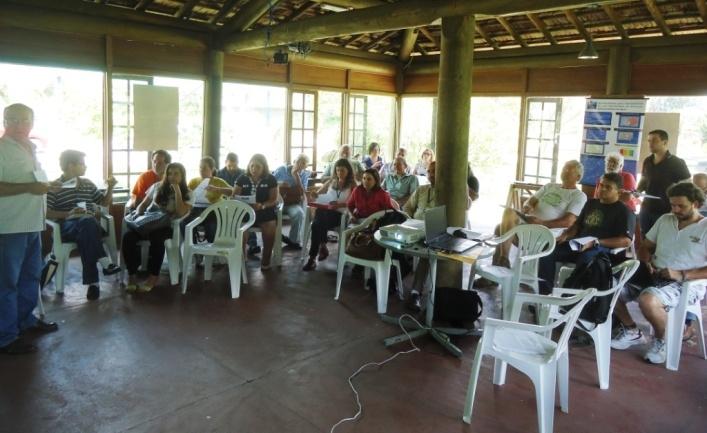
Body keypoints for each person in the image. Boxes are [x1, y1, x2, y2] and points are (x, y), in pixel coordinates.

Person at [610, 182, 706, 364]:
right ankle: (632, 330)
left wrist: (681, 274)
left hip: (687, 283)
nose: (675, 209)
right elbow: (645, 247)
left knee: (648, 299)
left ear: (696, 204)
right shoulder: (665, 220)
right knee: (609, 287)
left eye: (681, 206)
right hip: (656, 275)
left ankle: (662, 340)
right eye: (673, 205)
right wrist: (646, 262)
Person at [0, 103, 61, 355]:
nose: (18, 125)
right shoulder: (2, 149)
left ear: (32, 123)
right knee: (7, 283)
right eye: (12, 120)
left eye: (24, 120)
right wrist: (28, 188)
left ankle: (24, 321)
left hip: (33, 224)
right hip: (9, 227)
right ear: (4, 121)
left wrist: (48, 185)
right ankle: (5, 337)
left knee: (31, 277)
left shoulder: (31, 148)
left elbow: (33, 182)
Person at [537, 172, 635, 294]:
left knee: (587, 259)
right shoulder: (591, 203)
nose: (602, 189)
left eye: (608, 187)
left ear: (619, 192)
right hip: (577, 245)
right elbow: (577, 225)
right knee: (547, 250)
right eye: (601, 185)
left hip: (600, 249)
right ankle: (545, 296)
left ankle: (568, 298)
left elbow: (626, 241)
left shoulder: (624, 211)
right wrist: (566, 234)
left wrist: (596, 242)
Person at [46, 150, 121, 300]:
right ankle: (101, 269)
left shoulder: (87, 183)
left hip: (89, 225)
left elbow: (103, 202)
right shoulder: (55, 187)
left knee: (87, 225)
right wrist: (68, 214)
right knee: (88, 225)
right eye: (82, 164)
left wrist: (110, 187)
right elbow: (47, 213)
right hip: (68, 226)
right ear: (71, 165)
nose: (85, 167)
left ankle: (94, 281)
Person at [492, 160, 587, 269]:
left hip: (545, 235)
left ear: (578, 177)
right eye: (564, 168)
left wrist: (542, 223)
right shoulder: (550, 186)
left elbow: (568, 221)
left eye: (569, 170)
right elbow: (530, 201)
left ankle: (501, 264)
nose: (565, 172)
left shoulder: (578, 196)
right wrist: (528, 206)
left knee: (500, 229)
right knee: (508, 213)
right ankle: (503, 260)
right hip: (529, 225)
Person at [402, 161, 470, 310]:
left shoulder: (449, 193)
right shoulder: (421, 190)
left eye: (435, 172)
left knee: (427, 252)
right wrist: (408, 221)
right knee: (397, 246)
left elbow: (467, 204)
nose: (431, 175)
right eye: (429, 171)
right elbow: (407, 208)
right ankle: (391, 282)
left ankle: (415, 293)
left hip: (434, 234)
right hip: (414, 230)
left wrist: (461, 187)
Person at [122, 163, 193, 292]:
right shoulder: (156, 187)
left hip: (165, 226)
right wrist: (139, 215)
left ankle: (153, 277)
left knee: (158, 240)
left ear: (182, 176)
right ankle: (132, 275)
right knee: (128, 238)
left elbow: (181, 212)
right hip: (147, 223)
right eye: (169, 173)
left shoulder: (188, 193)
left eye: (176, 174)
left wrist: (177, 190)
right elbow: (142, 205)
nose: (172, 176)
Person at [302, 159, 356, 271]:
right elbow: (318, 194)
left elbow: (354, 203)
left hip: (341, 215)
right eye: (337, 170)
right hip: (326, 212)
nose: (339, 173)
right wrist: (315, 194)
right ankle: (315, 254)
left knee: (316, 223)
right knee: (318, 220)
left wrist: (339, 204)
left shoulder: (353, 184)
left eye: (342, 170)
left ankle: (318, 252)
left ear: (348, 171)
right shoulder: (332, 181)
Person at [637, 129, 690, 235]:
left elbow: (687, 188)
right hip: (646, 208)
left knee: (661, 239)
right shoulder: (647, 160)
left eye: (654, 141)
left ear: (665, 142)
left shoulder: (677, 162)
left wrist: (678, 208)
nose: (650, 144)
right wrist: (636, 191)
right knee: (645, 238)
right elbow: (644, 179)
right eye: (649, 141)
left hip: (666, 210)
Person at [233, 154, 279, 271]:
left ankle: (266, 259)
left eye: (257, 166)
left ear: (264, 167)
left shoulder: (270, 179)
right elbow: (234, 196)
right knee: (239, 230)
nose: (254, 169)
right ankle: (241, 258)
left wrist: (262, 205)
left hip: (264, 211)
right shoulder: (242, 178)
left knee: (269, 229)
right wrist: (243, 202)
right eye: (252, 166)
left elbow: (274, 199)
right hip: (245, 212)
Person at [215, 152, 259, 255]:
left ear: (238, 163)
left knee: (246, 213)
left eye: (234, 166)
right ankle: (228, 242)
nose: (231, 168)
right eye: (229, 166)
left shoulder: (243, 174)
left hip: (242, 202)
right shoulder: (219, 173)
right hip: (225, 202)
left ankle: (252, 244)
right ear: (225, 163)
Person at [183, 156, 230, 243]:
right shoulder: (193, 181)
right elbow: (186, 196)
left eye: (204, 168)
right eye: (200, 167)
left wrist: (217, 189)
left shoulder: (218, 181)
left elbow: (232, 192)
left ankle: (211, 250)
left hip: (212, 210)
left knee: (211, 226)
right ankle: (192, 248)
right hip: (195, 209)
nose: (201, 170)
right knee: (184, 223)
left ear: (212, 169)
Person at [272, 154, 312, 250]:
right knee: (269, 217)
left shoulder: (304, 175)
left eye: (303, 164)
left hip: (292, 203)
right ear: (294, 161)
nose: (300, 166)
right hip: (276, 203)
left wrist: (296, 176)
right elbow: (270, 182)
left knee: (299, 214)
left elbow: (302, 193)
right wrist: (280, 183)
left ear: (306, 166)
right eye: (298, 162)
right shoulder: (282, 169)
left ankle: (293, 241)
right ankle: (275, 237)